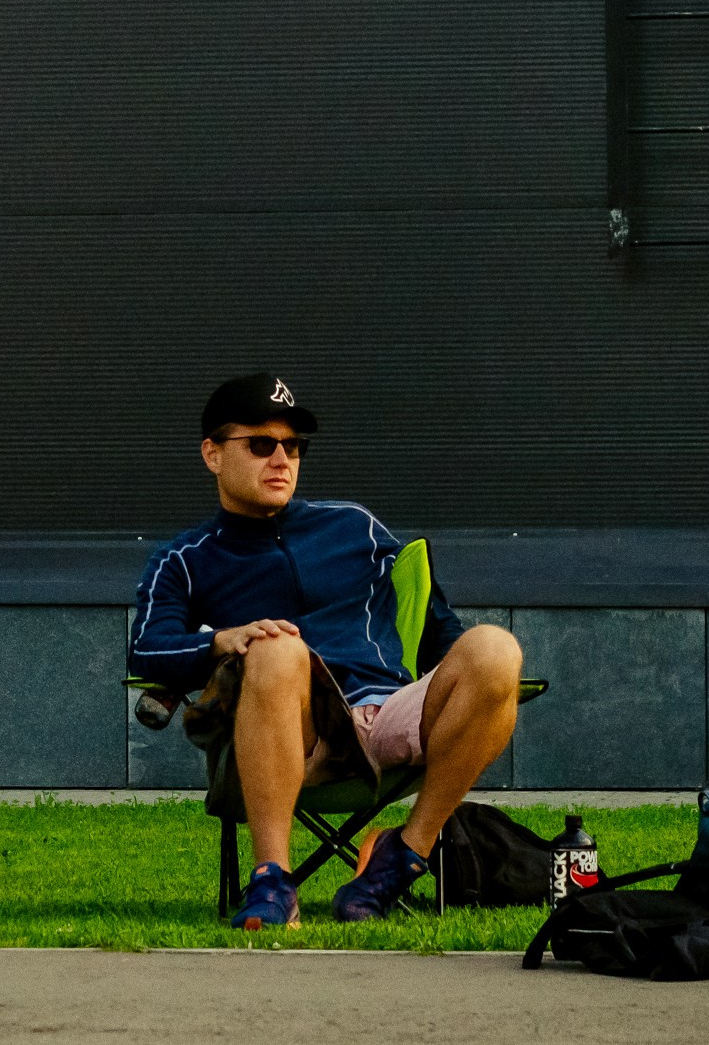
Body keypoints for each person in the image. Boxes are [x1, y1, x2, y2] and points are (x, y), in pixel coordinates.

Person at [128, 373, 523, 930]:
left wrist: (479, 695)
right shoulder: (186, 559)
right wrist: (220, 640)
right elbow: (145, 650)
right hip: (293, 731)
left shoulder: (354, 526)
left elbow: (443, 634)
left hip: (389, 712)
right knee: (277, 645)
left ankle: (405, 854)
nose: (281, 459)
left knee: (495, 650)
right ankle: (272, 878)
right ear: (213, 455)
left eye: (293, 446)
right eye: (261, 444)